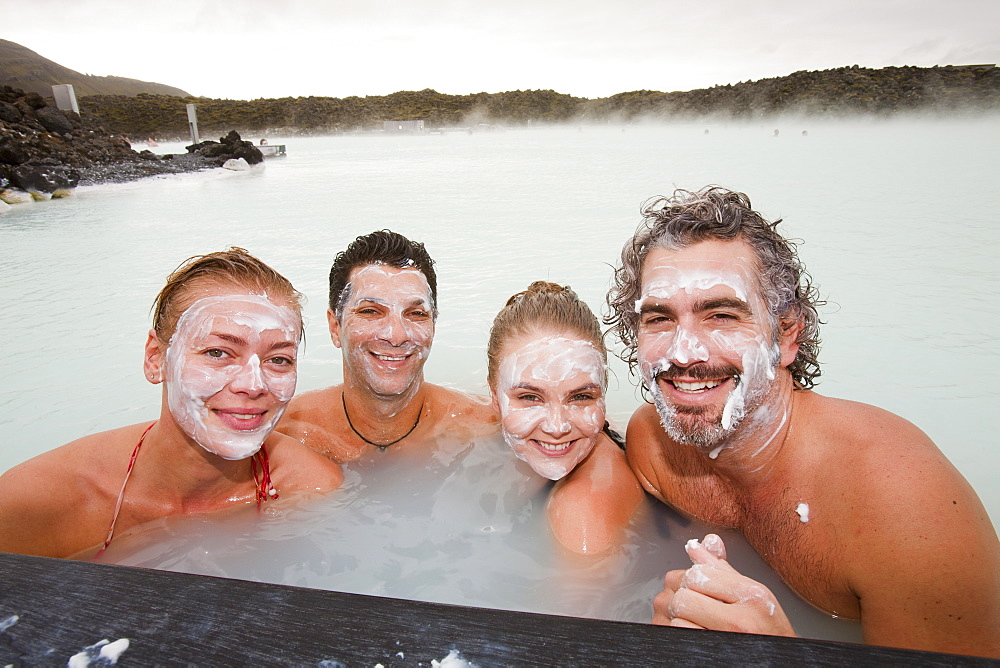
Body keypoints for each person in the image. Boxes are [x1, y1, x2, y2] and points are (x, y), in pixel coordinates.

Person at [605, 186, 1000, 657]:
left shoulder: (901, 502)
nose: (682, 353)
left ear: (788, 335)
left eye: (723, 315)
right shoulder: (652, 444)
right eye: (659, 319)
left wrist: (786, 656)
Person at [0, 248, 343, 559]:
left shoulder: (310, 488)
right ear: (155, 359)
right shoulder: (32, 504)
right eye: (217, 352)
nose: (253, 385)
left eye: (279, 359)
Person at [279, 230, 495, 462]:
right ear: (335, 327)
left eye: (416, 314)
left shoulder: (487, 428)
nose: (396, 335)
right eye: (370, 311)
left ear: (433, 325)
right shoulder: (282, 434)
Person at [486, 281, 642, 554]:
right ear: (494, 396)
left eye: (580, 397)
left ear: (602, 394)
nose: (557, 427)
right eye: (530, 398)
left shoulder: (582, 512)